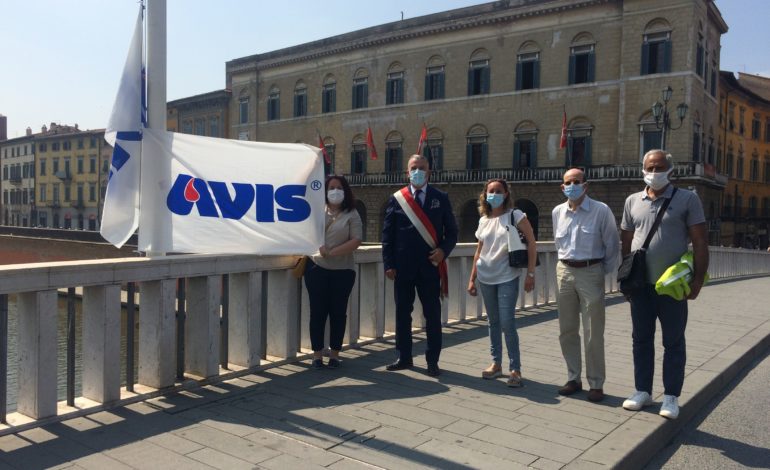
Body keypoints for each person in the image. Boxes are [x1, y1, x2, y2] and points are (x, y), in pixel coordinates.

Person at [620, 150, 709, 419]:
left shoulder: (687, 199)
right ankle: (642, 391)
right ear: (642, 169)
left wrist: (697, 281)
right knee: (641, 339)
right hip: (641, 286)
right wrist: (626, 277)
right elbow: (626, 241)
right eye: (649, 167)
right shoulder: (632, 201)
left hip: (672, 286)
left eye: (659, 167)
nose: (654, 171)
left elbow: (700, 242)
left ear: (671, 170)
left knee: (673, 341)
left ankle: (671, 396)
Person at [382, 154, 458, 377]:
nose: (417, 171)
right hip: (402, 268)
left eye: (421, 168)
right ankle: (404, 357)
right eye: (413, 168)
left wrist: (443, 251)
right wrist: (388, 263)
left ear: (429, 172)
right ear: (407, 172)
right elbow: (387, 235)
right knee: (402, 314)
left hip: (430, 267)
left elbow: (452, 232)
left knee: (432, 315)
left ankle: (432, 361)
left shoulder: (440, 197)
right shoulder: (397, 198)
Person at [552, 168, 619, 402]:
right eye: (567, 182)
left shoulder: (601, 210)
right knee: (567, 329)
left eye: (576, 181)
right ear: (562, 187)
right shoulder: (557, 212)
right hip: (564, 270)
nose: (572, 186)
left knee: (593, 331)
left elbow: (612, 244)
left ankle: (596, 383)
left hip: (591, 270)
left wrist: (600, 271)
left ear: (585, 185)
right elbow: (557, 243)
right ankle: (573, 378)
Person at [467, 179, 536, 387]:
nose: (494, 194)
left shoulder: (515, 215)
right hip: (486, 276)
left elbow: (532, 242)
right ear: (485, 194)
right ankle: (496, 364)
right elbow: (479, 250)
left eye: (498, 191)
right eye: (491, 191)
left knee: (507, 322)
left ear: (506, 194)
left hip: (507, 276)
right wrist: (472, 278)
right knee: (493, 321)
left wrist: (530, 274)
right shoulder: (483, 219)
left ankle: (515, 368)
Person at [304, 175, 362, 369]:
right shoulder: (317, 211)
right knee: (317, 313)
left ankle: (335, 355)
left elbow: (356, 240)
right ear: (325, 191)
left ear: (345, 191)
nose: (335, 191)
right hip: (315, 268)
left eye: (339, 187)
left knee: (338, 313)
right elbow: (306, 233)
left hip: (343, 271)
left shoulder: (352, 213)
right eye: (331, 187)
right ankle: (317, 356)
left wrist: (331, 252)